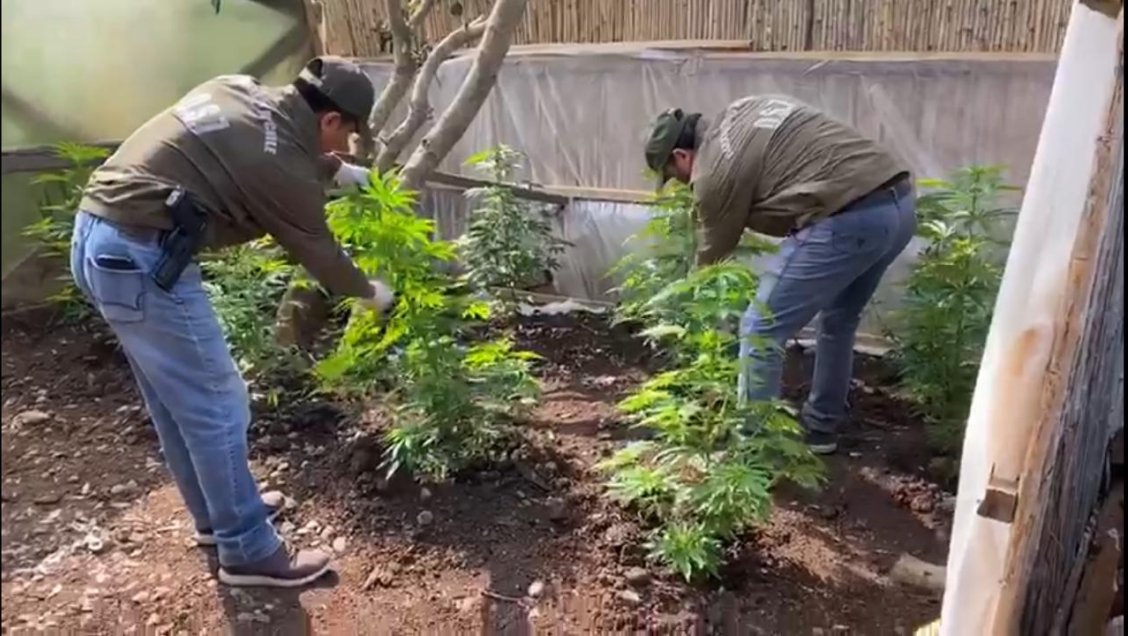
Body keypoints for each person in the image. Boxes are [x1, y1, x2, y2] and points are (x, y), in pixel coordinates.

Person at [70, 56, 393, 587]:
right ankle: (245, 548)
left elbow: (257, 145)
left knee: (180, 405)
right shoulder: (281, 167)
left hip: (100, 236)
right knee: (219, 402)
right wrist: (369, 292)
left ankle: (220, 519)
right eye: (348, 135)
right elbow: (319, 250)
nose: (346, 146)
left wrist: (338, 171)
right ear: (331, 121)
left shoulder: (240, 90)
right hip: (141, 254)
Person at [643, 96, 916, 455]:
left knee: (760, 329)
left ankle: (754, 451)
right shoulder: (740, 109)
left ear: (681, 156)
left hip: (846, 218)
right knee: (839, 319)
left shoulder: (710, 172)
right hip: (899, 207)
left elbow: (712, 260)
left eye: (672, 175)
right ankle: (821, 429)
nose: (679, 184)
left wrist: (691, 320)